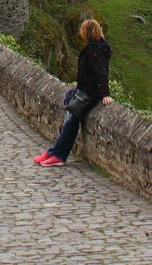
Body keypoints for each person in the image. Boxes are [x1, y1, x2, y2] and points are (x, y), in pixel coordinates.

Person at [34, 18, 114, 167]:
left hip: (89, 94)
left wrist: (105, 95)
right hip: (86, 91)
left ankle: (57, 155)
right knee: (71, 120)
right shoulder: (100, 47)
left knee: (71, 121)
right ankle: (53, 153)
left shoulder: (92, 50)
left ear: (87, 33)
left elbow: (101, 73)